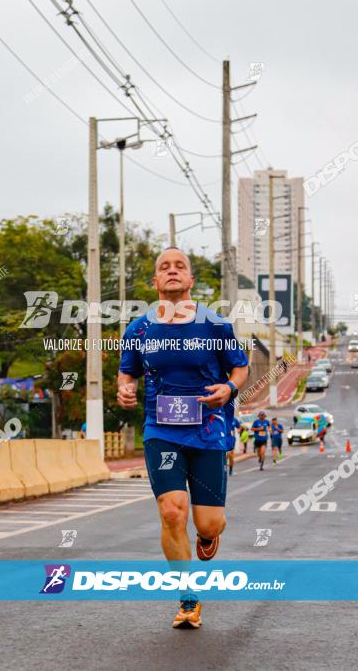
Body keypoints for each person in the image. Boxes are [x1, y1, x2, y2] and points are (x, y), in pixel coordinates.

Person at [117, 247, 249, 629]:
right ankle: (188, 598)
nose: (172, 271)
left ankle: (209, 537)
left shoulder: (215, 325)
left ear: (191, 280)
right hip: (162, 431)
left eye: (180, 266)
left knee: (208, 523)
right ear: (155, 282)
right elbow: (128, 373)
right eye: (164, 267)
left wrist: (228, 388)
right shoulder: (139, 329)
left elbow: (239, 369)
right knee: (172, 509)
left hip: (207, 431)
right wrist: (124, 389)